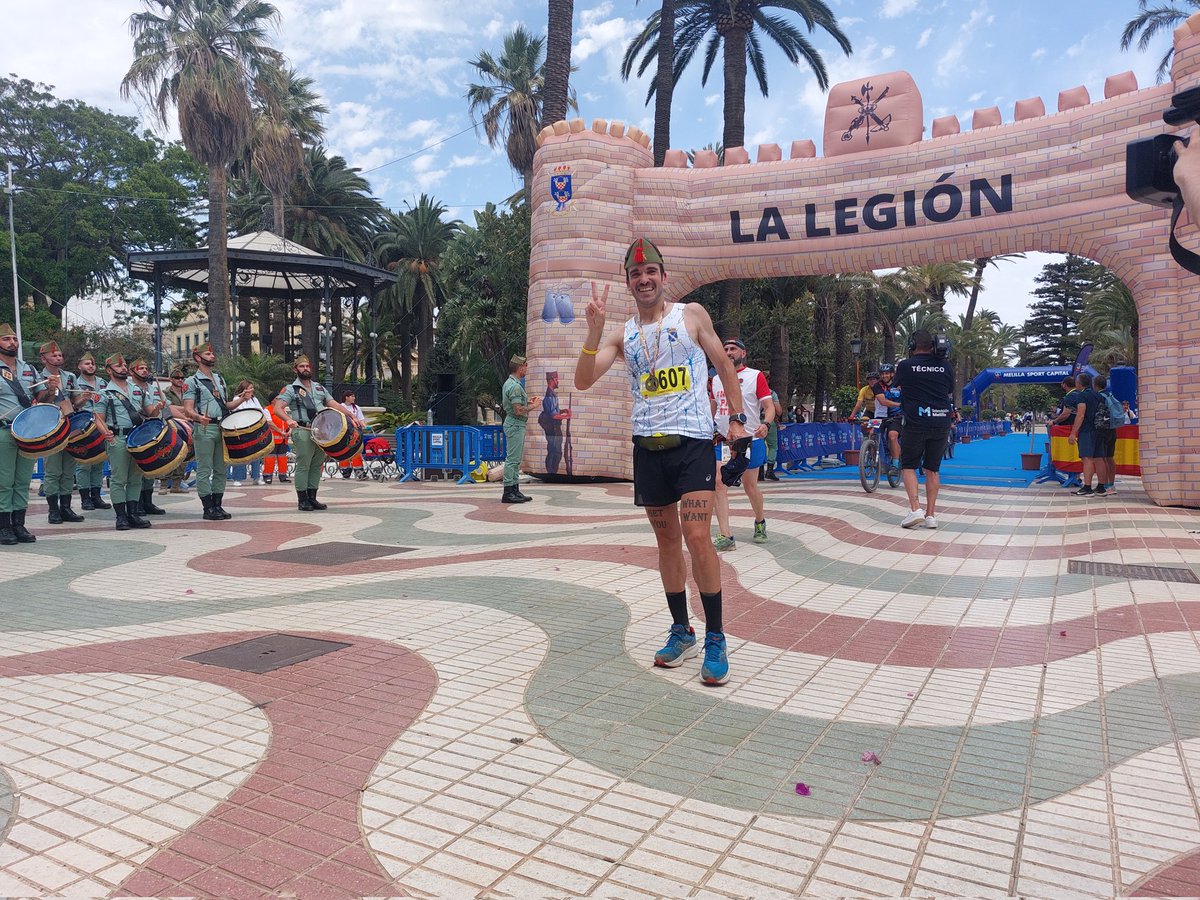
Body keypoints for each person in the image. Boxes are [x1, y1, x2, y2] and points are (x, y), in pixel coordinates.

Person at [574, 237, 748, 686]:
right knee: (668, 543)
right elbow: (584, 380)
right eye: (635, 274)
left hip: (691, 443)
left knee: (697, 535)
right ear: (629, 283)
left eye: (651, 272)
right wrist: (594, 335)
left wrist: (737, 420)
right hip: (648, 448)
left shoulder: (690, 315)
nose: (644, 279)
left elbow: (724, 366)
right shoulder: (622, 333)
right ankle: (681, 629)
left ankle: (716, 636)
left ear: (663, 277)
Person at [710, 338, 773, 549]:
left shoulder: (755, 376)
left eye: (733, 349)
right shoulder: (716, 379)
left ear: (743, 353)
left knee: (750, 486)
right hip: (723, 440)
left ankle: (760, 520)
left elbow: (768, 405)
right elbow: (713, 407)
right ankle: (726, 536)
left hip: (749, 439)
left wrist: (767, 424)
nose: (728, 352)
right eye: (725, 349)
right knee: (719, 483)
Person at [273, 355, 355, 511]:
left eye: (307, 366)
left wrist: (350, 415)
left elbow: (333, 403)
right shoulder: (291, 389)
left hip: (321, 431)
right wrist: (288, 420)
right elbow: (278, 408)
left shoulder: (319, 387)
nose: (305, 369)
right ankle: (302, 499)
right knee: (304, 465)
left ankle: (312, 498)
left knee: (317, 464)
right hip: (303, 429)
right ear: (295, 369)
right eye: (301, 366)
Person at [894, 330, 955, 528]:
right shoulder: (946, 366)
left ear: (912, 345)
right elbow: (949, 390)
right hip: (941, 422)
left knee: (909, 465)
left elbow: (897, 387)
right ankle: (930, 516)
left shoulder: (905, 366)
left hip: (915, 422)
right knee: (932, 469)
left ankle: (915, 509)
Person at [183, 342, 251, 521]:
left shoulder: (219, 379)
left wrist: (242, 399)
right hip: (204, 428)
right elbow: (187, 409)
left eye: (212, 354)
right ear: (198, 358)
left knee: (221, 468)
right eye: (208, 354)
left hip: (222, 427)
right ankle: (207, 508)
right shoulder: (192, 382)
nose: (212, 357)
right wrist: (198, 418)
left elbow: (226, 405)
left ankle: (217, 505)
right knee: (204, 469)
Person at [96, 354, 156, 531]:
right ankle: (121, 516)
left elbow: (149, 411)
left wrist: (158, 409)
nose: (123, 368)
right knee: (119, 478)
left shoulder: (137, 390)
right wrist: (105, 433)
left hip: (137, 437)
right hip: (118, 437)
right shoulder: (104, 393)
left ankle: (133, 513)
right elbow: (98, 418)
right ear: (109, 370)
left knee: (135, 477)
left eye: (124, 365)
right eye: (118, 365)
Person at [0, 324, 45, 545]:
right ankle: (4, 527)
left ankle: (19, 524)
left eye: (15, 339)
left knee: (22, 480)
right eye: (6, 339)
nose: (12, 343)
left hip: (28, 433)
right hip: (4, 431)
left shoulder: (29, 369)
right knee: (4, 481)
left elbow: (43, 397)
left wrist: (53, 388)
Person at [37, 340, 86, 524]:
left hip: (69, 425)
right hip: (50, 426)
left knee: (68, 470)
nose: (58, 357)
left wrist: (84, 399)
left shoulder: (70, 377)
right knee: (53, 470)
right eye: (53, 355)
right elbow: (40, 401)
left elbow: (75, 402)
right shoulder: (39, 377)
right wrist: (50, 387)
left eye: (60, 355)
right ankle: (53, 510)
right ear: (44, 358)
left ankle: (66, 507)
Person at [129, 359, 168, 516]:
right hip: (137, 429)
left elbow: (165, 407)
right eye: (141, 368)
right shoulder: (130, 389)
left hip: (153, 430)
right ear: (132, 372)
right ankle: (137, 503)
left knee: (150, 467)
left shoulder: (154, 389)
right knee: (138, 468)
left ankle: (148, 501)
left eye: (146, 368)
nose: (145, 370)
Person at [73, 351, 111, 511]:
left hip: (100, 423)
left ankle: (96, 496)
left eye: (93, 363)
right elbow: (74, 405)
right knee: (84, 462)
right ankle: (85, 498)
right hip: (83, 425)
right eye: (87, 363)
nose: (90, 366)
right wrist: (84, 398)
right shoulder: (76, 382)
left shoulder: (102, 383)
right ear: (79, 366)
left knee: (98, 461)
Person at [500, 355, 538, 504]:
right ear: (520, 368)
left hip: (514, 424)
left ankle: (514, 489)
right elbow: (517, 410)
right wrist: (532, 407)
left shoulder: (511, 383)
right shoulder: (515, 386)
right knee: (512, 460)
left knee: (515, 460)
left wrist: (526, 400)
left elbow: (514, 403)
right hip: (515, 424)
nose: (526, 369)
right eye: (525, 366)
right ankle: (508, 491)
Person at [1066, 372, 1103, 496]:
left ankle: (1087, 487)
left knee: (1087, 458)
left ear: (1079, 383)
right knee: (1099, 458)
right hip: (1100, 429)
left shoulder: (1082, 396)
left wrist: (1073, 433)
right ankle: (1101, 487)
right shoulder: (1099, 396)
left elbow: (1081, 414)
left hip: (1087, 430)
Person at [160, 366, 190, 494]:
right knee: (168, 453)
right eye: (177, 378)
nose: (180, 380)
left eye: (182, 378)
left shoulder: (187, 392)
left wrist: (183, 409)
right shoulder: (166, 393)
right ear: (170, 379)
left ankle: (177, 484)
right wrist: (185, 409)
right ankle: (164, 484)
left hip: (186, 427)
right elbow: (169, 408)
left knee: (184, 455)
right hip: (171, 426)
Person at [1092, 374, 1120, 495]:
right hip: (1112, 429)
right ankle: (1111, 485)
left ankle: (1101, 485)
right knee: (1109, 457)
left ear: (1095, 385)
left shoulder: (1098, 397)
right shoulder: (1111, 395)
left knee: (1100, 458)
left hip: (1101, 430)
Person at [872, 364, 903, 469]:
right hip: (880, 416)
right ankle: (872, 457)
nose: (884, 376)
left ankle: (895, 464)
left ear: (892, 374)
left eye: (887, 373)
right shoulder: (877, 386)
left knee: (892, 436)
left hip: (896, 416)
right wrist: (899, 404)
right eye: (882, 374)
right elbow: (883, 401)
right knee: (872, 433)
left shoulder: (900, 384)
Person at [263, 387, 291, 485]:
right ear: (272, 400)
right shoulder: (267, 410)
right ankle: (267, 476)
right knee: (270, 458)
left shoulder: (282, 410)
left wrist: (289, 431)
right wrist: (280, 431)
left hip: (283, 439)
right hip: (272, 439)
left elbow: (287, 421)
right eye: (277, 398)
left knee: (282, 458)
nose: (280, 400)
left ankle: (283, 476)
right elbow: (270, 423)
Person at [337, 390, 368, 480]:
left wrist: (364, 426)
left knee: (356, 451)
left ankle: (359, 472)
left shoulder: (356, 408)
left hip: (355, 434)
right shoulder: (340, 407)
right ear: (346, 397)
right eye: (352, 396)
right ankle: (345, 472)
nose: (354, 398)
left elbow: (361, 420)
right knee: (343, 452)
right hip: (343, 434)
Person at [762, 375, 781, 481]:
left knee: (757, 445)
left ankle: (759, 472)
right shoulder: (771, 393)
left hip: (754, 422)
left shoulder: (751, 391)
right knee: (773, 446)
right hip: (769, 423)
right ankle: (769, 471)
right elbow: (778, 411)